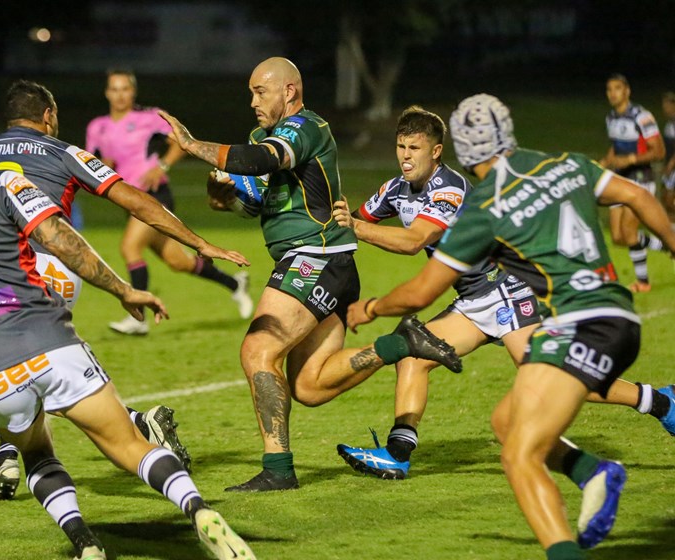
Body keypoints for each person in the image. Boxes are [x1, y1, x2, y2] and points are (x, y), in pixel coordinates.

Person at [0, 92, 255, 560]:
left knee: (37, 452)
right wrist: (123, 289)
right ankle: (196, 507)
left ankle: (83, 541)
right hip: (44, 335)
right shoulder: (6, 182)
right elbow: (62, 240)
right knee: (127, 444)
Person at [342, 93, 675, 559]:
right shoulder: (560, 165)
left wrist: (371, 303)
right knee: (418, 358)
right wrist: (333, 216)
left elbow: (416, 250)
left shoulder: (469, 198)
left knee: (553, 396)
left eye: (414, 147)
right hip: (481, 302)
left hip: (505, 294)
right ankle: (398, 455)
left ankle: (657, 405)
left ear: (445, 150)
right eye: (401, 147)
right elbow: (355, 217)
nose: (405, 155)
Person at [159, 57, 461, 492]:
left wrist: (191, 145)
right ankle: (403, 343)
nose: (252, 102)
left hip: (314, 257)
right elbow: (256, 203)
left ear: (289, 91)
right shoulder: (262, 137)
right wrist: (224, 199)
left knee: (258, 350)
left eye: (260, 92)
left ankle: (278, 468)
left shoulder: (306, 128)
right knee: (310, 385)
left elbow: (263, 159)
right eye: (250, 93)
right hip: (326, 264)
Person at [0, 79, 250, 498]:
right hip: (53, 267)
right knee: (19, 369)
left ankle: (28, 454)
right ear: (48, 116)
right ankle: (19, 456)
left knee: (13, 369)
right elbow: (136, 200)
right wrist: (199, 242)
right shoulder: (64, 151)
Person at [86, 69, 253, 335]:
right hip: (129, 200)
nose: (120, 95)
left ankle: (138, 318)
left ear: (133, 91)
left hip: (154, 195)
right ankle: (235, 284)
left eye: (125, 89)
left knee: (130, 247)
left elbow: (181, 143)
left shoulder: (149, 117)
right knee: (178, 262)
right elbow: (102, 162)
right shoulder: (97, 126)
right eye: (114, 89)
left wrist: (162, 166)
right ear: (107, 93)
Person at [600, 73, 667, 292]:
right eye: (609, 89)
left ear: (627, 91)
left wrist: (630, 159)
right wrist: (604, 163)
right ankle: (667, 243)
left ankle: (643, 282)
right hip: (619, 179)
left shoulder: (641, 116)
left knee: (629, 232)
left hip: (640, 179)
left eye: (617, 88)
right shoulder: (611, 118)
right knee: (618, 236)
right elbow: (616, 146)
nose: (613, 93)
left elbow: (659, 151)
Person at [660, 90, 675, 218]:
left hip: (673, 167)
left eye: (667, 105)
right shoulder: (668, 124)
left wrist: (670, 164)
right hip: (669, 165)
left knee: (669, 199)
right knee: (665, 199)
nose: (665, 108)